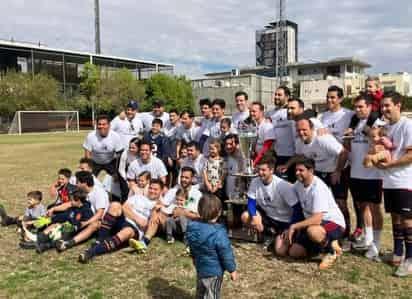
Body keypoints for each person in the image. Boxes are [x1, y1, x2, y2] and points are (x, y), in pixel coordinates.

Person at [78, 179, 165, 263]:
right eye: (150, 188)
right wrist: (137, 218)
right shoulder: (138, 197)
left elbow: (154, 223)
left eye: (155, 189)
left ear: (161, 191)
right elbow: (124, 207)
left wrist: (155, 211)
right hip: (124, 219)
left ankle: (92, 252)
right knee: (115, 205)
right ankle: (100, 240)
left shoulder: (160, 207)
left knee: (127, 232)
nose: (152, 191)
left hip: (134, 229)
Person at [286, 156, 345, 270]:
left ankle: (331, 252)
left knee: (313, 231)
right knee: (294, 252)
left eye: (301, 170)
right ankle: (327, 244)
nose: (297, 173)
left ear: (311, 170)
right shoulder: (298, 184)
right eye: (296, 170)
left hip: (334, 224)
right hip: (314, 225)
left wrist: (294, 226)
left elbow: (317, 219)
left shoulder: (318, 188)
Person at [376, 92, 412, 276]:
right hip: (389, 180)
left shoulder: (408, 125)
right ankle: (397, 253)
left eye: (387, 105)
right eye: (382, 106)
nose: (384, 109)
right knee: (395, 218)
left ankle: (410, 258)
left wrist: (391, 164)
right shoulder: (388, 127)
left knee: (408, 221)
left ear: (398, 105)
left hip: (405, 181)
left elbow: (411, 154)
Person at [129, 167, 202, 252]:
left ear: (192, 179)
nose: (183, 179)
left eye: (186, 177)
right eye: (182, 177)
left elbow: (200, 216)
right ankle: (144, 242)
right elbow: (162, 204)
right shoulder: (174, 190)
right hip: (172, 224)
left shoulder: (197, 194)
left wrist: (183, 213)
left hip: (187, 224)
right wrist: (155, 210)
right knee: (157, 214)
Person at [346, 95, 383, 261]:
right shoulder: (355, 122)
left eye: (361, 107)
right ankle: (368, 239)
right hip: (356, 171)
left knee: (374, 208)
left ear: (369, 107)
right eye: (356, 107)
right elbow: (349, 145)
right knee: (362, 206)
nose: (358, 110)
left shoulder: (377, 122)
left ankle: (377, 243)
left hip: (372, 173)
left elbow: (379, 141)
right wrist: (349, 135)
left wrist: (365, 130)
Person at [319, 85, 355, 247]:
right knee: (325, 202)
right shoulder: (322, 117)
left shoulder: (348, 114)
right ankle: (329, 232)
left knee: (341, 202)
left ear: (340, 98)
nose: (329, 100)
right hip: (324, 166)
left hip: (341, 166)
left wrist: (339, 169)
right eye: (328, 97)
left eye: (333, 97)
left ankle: (346, 235)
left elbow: (348, 142)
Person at [241, 158, 300, 254]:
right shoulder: (255, 182)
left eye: (263, 170)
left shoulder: (283, 186)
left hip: (284, 221)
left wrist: (290, 228)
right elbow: (251, 202)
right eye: (258, 169)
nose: (260, 173)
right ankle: (267, 235)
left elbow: (297, 209)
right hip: (269, 218)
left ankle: (277, 238)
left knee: (280, 251)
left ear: (271, 170)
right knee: (246, 216)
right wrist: (254, 216)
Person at [186, 194, 237, 299]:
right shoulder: (218, 233)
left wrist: (193, 257)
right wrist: (232, 269)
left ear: (199, 210)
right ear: (219, 212)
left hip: (200, 267)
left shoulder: (192, 228)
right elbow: (225, 252)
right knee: (212, 294)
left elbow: (191, 245)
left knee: (201, 291)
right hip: (214, 272)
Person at [54, 171, 109, 252]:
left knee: (94, 224)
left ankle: (69, 243)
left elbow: (99, 214)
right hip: (84, 216)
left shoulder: (99, 193)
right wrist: (54, 209)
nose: (76, 184)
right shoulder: (82, 192)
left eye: (78, 182)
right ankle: (55, 237)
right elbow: (70, 204)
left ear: (85, 183)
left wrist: (86, 223)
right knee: (69, 214)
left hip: (98, 221)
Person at [34, 189, 94, 254]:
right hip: (66, 227)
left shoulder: (87, 211)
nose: (71, 202)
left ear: (78, 201)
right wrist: (50, 220)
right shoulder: (73, 208)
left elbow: (82, 224)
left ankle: (46, 246)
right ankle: (40, 238)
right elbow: (64, 216)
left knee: (63, 233)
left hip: (74, 231)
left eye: (72, 200)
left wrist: (70, 226)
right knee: (56, 225)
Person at [249, 101, 275, 165]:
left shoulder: (267, 125)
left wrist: (256, 161)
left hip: (265, 160)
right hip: (257, 159)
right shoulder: (254, 126)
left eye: (254, 111)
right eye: (250, 111)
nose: (251, 113)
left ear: (261, 112)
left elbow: (267, 146)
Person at [117, 137, 140, 202]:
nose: (131, 149)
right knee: (126, 190)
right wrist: (127, 181)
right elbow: (121, 169)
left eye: (133, 148)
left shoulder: (142, 154)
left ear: (139, 148)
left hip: (139, 175)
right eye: (130, 147)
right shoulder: (125, 153)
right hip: (126, 174)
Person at [223, 134, 244, 199]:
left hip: (240, 193)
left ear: (237, 144)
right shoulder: (226, 156)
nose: (228, 146)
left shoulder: (243, 156)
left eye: (231, 144)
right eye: (226, 144)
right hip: (228, 192)